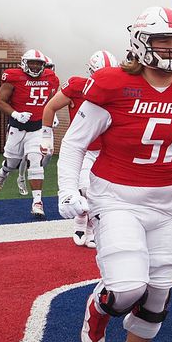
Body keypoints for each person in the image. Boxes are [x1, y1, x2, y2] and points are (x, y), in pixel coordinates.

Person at [56, 8, 172, 342]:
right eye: (164, 39)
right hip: (116, 196)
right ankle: (100, 306)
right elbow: (76, 142)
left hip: (171, 202)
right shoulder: (110, 83)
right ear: (141, 42)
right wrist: (66, 188)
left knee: (159, 294)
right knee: (128, 289)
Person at [40, 50, 118, 247]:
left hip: (107, 150)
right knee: (85, 189)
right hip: (83, 150)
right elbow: (50, 107)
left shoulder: (121, 89)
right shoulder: (77, 86)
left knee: (100, 192)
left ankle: (90, 227)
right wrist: (46, 137)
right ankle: (81, 221)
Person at [0, 49, 60, 218]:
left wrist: (53, 114)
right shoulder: (13, 77)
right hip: (17, 127)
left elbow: (51, 100)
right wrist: (16, 114)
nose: (36, 66)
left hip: (38, 128)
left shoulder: (51, 78)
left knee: (35, 160)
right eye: (32, 63)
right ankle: (3, 172)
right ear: (24, 63)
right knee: (12, 162)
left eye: (39, 63)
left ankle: (37, 202)